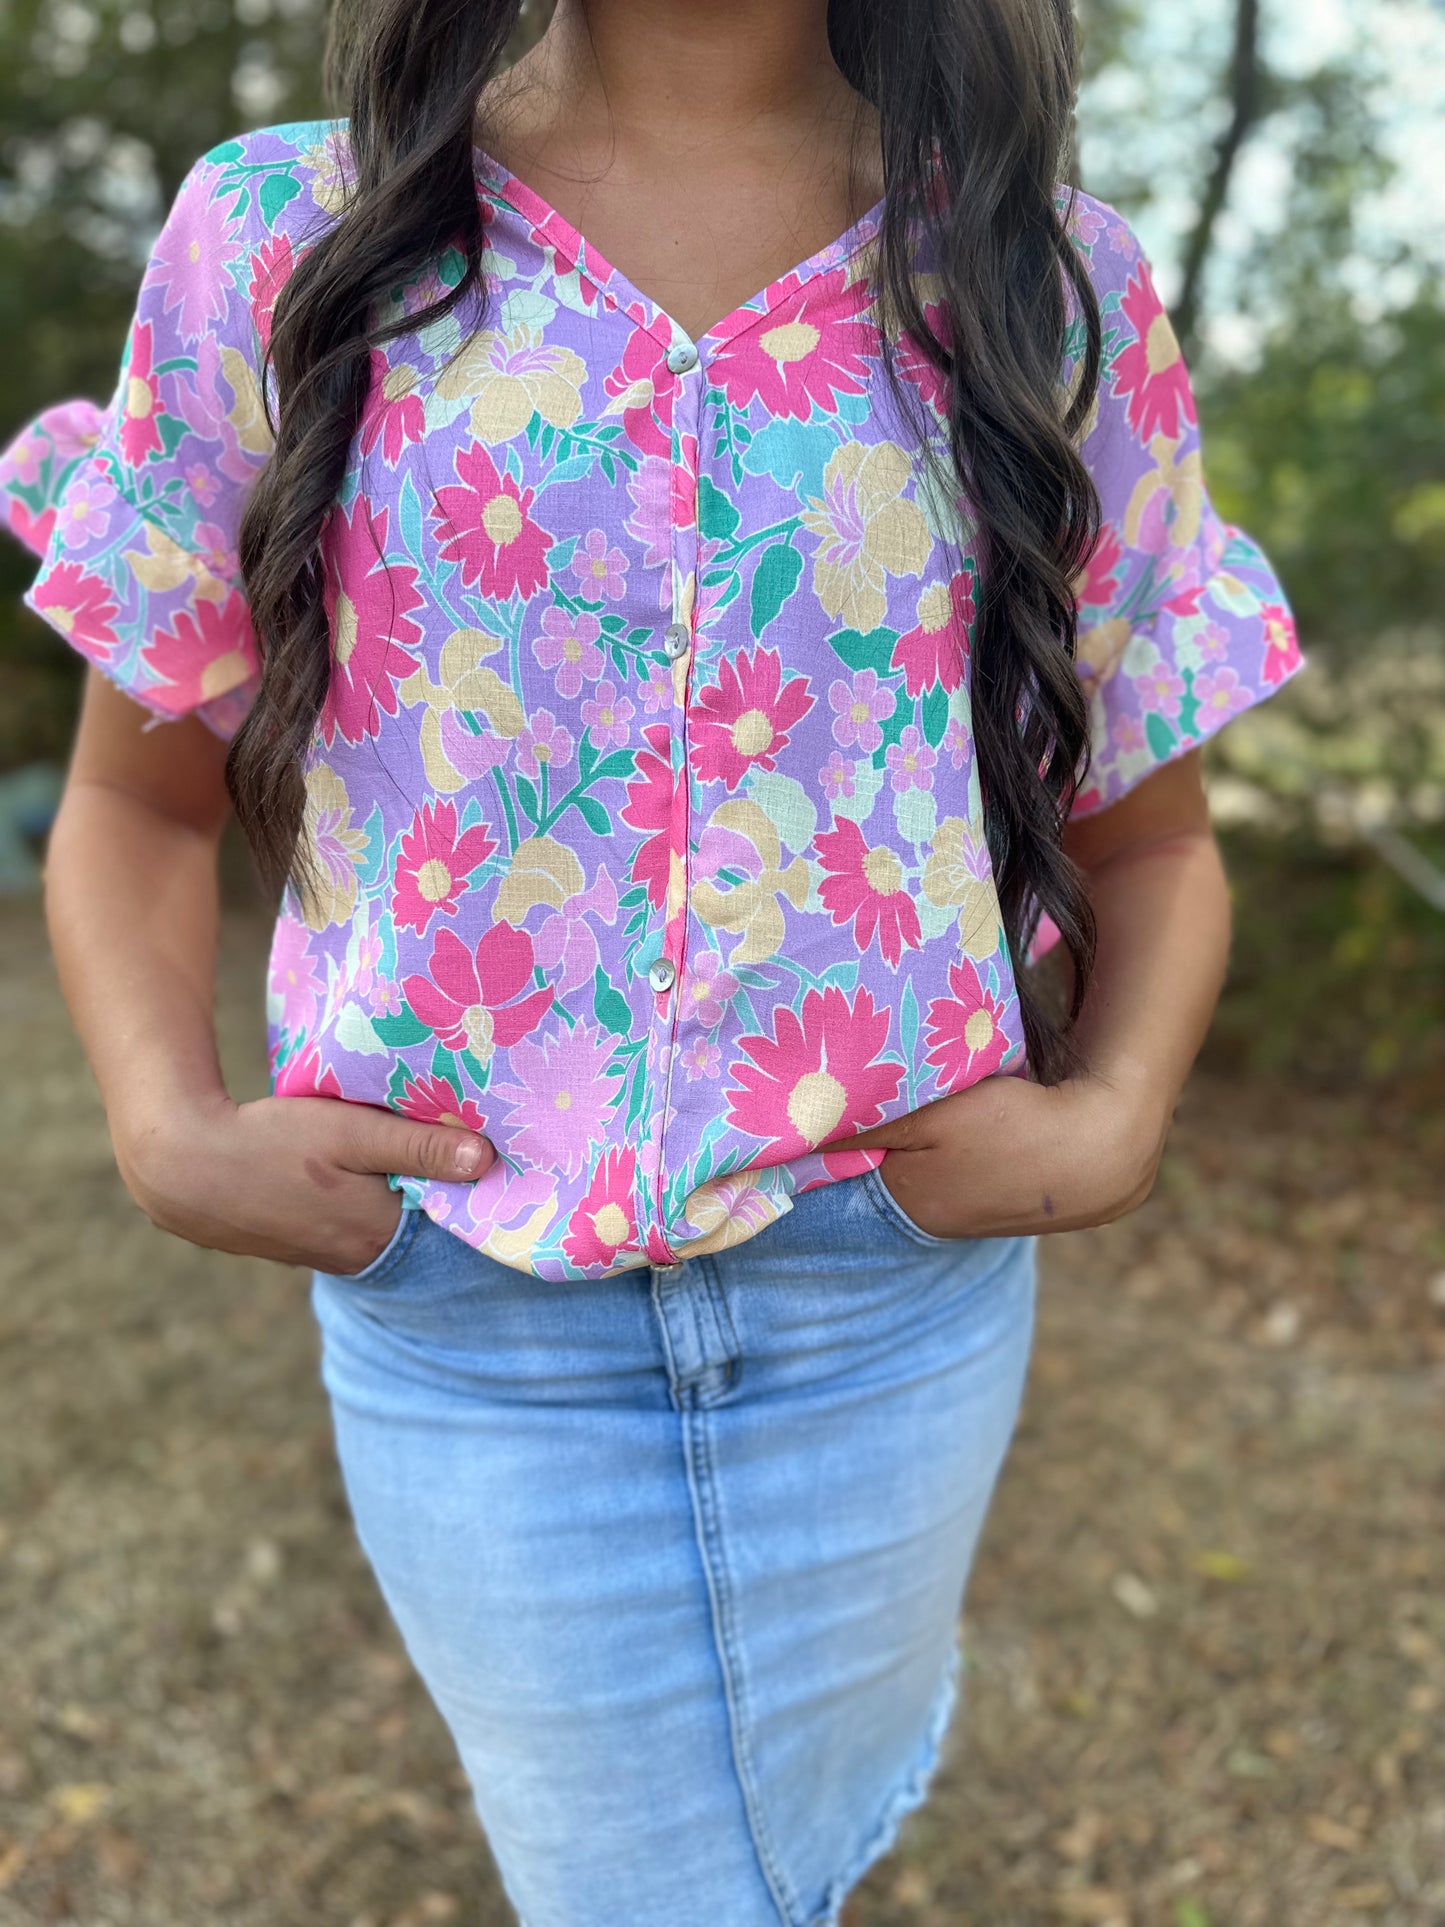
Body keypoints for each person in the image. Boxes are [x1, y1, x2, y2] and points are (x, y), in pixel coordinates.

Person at [0, 1, 1303, 1921]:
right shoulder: (288, 238)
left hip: (896, 1312)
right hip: (471, 1328)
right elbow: (136, 806)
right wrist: (161, 1120)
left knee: (789, 1860)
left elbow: (1159, 840)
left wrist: (1115, 1111)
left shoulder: (1038, 282)